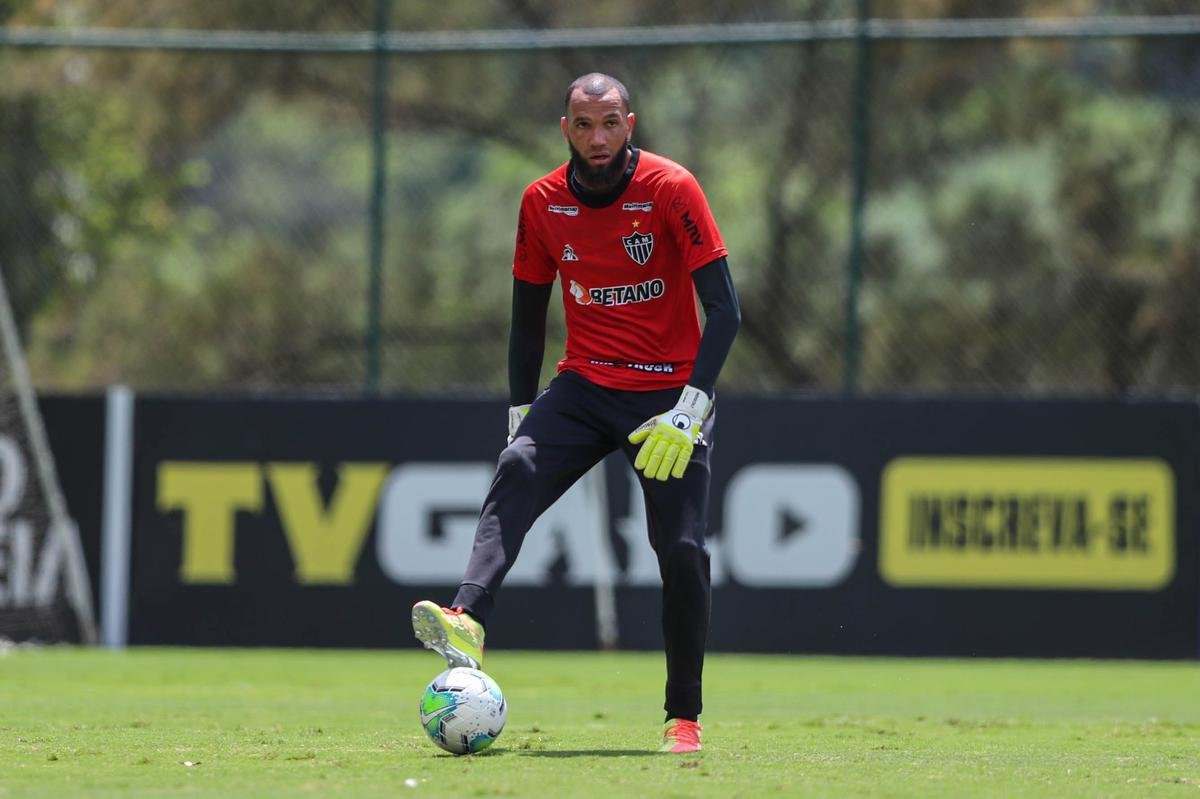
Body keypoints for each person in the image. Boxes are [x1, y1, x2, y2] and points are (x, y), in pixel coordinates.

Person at [411, 72, 740, 754]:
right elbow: (527, 321)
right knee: (520, 462)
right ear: (565, 128)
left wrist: (691, 408)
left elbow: (726, 312)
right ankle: (468, 614)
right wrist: (519, 410)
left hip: (668, 396)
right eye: (584, 124)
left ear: (631, 124)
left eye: (610, 122)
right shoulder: (542, 202)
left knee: (681, 551)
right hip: (585, 386)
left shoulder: (672, 189)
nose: (597, 137)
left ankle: (684, 717)